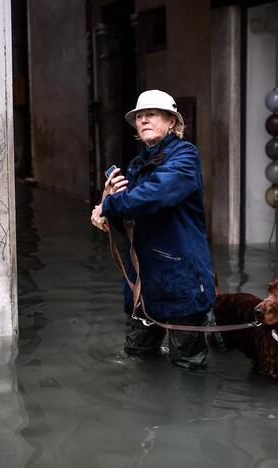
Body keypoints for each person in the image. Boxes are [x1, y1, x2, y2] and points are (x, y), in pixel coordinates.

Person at [90, 89, 215, 370]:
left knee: (188, 368)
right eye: (139, 117)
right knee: (137, 358)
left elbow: (156, 194)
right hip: (144, 284)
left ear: (171, 121)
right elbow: (132, 217)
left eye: (151, 115)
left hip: (181, 279)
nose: (144, 120)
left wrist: (110, 205)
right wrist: (105, 213)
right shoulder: (136, 165)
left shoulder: (185, 156)